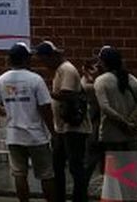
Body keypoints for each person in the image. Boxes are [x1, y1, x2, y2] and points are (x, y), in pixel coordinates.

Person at [0, 42, 57, 202]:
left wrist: (9, 112)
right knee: (46, 174)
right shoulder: (36, 80)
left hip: (14, 136)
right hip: (36, 136)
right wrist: (53, 132)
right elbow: (45, 107)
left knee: (19, 174)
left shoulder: (1, 80)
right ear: (26, 59)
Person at [36, 41, 90, 202]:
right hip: (62, 128)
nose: (44, 64)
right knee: (57, 166)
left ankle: (79, 198)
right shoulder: (60, 69)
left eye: (44, 60)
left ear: (52, 56)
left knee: (75, 167)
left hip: (73, 128)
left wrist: (45, 93)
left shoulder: (67, 69)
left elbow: (67, 94)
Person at [92, 46, 137, 199]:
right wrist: (131, 122)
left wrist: (124, 123)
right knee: (130, 174)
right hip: (131, 136)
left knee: (113, 175)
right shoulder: (132, 79)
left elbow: (105, 107)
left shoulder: (101, 81)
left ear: (103, 62)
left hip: (111, 135)